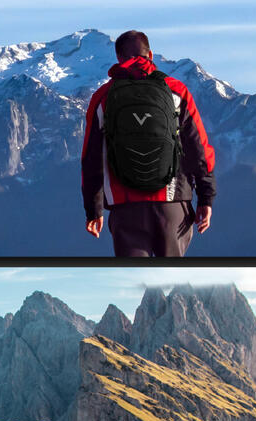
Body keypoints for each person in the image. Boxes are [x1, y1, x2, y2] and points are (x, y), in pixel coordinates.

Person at [81, 30, 216, 257]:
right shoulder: (177, 91)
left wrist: (93, 210)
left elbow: (90, 158)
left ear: (119, 59)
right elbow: (199, 148)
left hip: (125, 209)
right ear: (150, 54)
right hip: (173, 204)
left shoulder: (103, 97)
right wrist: (206, 197)